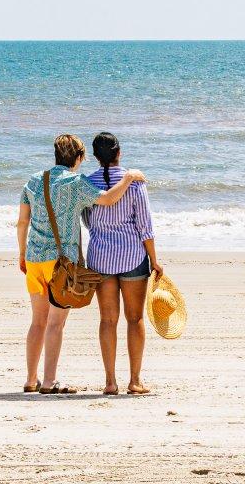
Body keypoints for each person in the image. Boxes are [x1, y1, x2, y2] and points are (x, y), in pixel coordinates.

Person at [16, 133, 145, 394]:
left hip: (33, 259)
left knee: (37, 321)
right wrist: (129, 178)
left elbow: (22, 222)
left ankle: (31, 379)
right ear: (79, 157)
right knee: (55, 323)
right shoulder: (76, 183)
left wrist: (21, 254)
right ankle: (50, 381)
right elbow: (108, 199)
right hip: (59, 263)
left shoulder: (34, 180)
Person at [84, 131, 163, 395]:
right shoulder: (136, 183)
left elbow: (87, 221)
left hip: (100, 259)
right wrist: (155, 260)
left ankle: (110, 382)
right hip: (132, 257)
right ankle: (135, 380)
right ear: (119, 153)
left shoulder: (86, 183)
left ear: (95, 157)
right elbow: (145, 228)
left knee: (107, 320)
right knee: (134, 318)